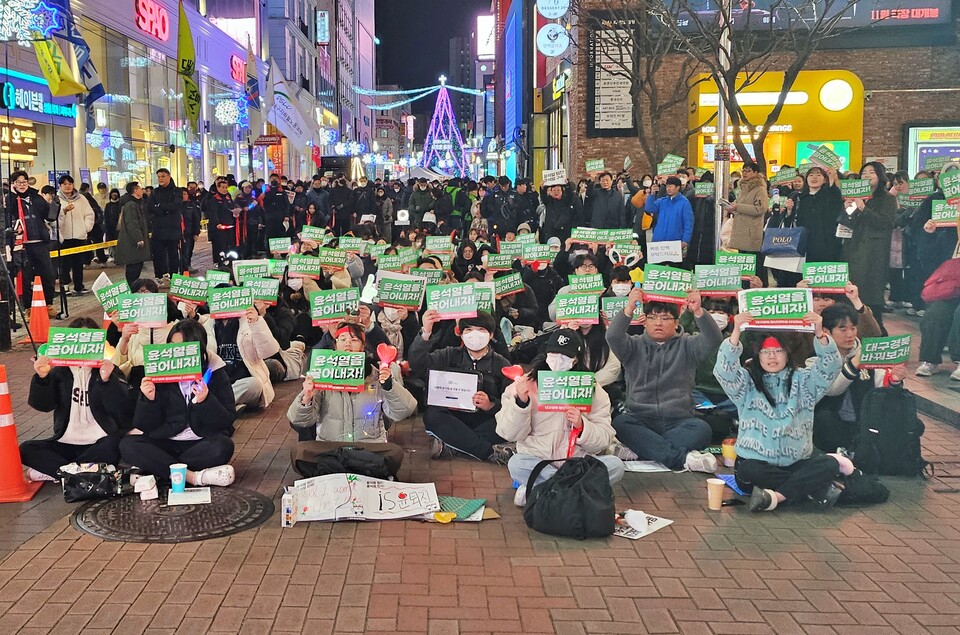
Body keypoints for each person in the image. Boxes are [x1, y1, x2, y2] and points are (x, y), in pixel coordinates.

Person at [713, 311, 850, 512]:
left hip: (795, 462)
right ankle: (811, 489)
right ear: (757, 355)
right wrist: (735, 332)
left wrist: (820, 334)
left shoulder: (804, 381)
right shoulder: (747, 383)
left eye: (778, 351)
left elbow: (831, 367)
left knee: (829, 464)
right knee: (750, 470)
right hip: (755, 466)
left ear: (787, 354)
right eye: (765, 352)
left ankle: (776, 497)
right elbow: (724, 371)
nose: (772, 357)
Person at [496, 329, 625, 506]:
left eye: (565, 356)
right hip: (540, 462)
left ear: (576, 359)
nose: (557, 360)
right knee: (517, 463)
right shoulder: (524, 384)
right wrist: (521, 402)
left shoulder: (592, 389)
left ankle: (545, 490)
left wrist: (582, 426)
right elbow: (508, 434)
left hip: (578, 464)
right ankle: (575, 493)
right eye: (553, 353)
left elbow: (604, 439)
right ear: (546, 354)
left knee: (615, 465)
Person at [606, 287, 723, 471]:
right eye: (652, 317)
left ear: (676, 322)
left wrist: (699, 311)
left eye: (665, 318)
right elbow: (612, 336)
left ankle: (640, 450)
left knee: (702, 429)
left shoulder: (688, 345)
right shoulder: (633, 346)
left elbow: (714, 339)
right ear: (644, 322)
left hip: (679, 421)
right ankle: (682, 459)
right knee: (620, 423)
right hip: (640, 419)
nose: (658, 322)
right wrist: (629, 308)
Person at [287, 321, 417, 476]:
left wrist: (389, 386)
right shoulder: (321, 375)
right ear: (335, 346)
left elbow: (404, 411)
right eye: (342, 339)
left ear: (363, 347)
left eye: (354, 339)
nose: (347, 343)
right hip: (331, 447)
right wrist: (306, 397)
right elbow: (299, 420)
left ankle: (337, 469)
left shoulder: (377, 376)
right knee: (299, 451)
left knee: (395, 452)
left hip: (368, 447)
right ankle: (358, 469)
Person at [119, 320, 237, 487]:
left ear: (198, 348)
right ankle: (194, 477)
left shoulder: (215, 373)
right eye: (172, 345)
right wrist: (148, 399)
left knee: (222, 447)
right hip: (165, 440)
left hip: (199, 442)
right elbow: (144, 424)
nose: (176, 351)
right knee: (128, 445)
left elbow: (226, 420)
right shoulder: (159, 372)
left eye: (182, 347)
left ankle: (160, 471)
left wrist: (206, 401)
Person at [21, 317, 132, 481]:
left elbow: (121, 408)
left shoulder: (108, 369)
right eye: (78, 340)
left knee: (116, 445)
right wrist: (42, 378)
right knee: (26, 449)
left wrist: (107, 381)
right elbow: (43, 405)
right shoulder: (59, 371)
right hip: (65, 441)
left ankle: (63, 474)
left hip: (99, 442)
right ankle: (84, 472)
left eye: (89, 340)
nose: (83, 346)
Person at [408, 310, 513, 462]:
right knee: (432, 415)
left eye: (481, 330)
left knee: (507, 422)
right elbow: (417, 365)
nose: (474, 334)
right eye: (469, 330)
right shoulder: (449, 354)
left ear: (491, 335)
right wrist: (426, 332)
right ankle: (489, 453)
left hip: (484, 419)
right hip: (453, 417)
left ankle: (452, 444)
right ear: (461, 334)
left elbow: (509, 405)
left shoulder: (501, 363)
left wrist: (491, 405)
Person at [812, 303, 907, 453]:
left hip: (862, 423)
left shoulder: (866, 353)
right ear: (826, 331)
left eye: (853, 328)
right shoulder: (815, 359)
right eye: (843, 329)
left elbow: (882, 389)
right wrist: (855, 363)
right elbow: (832, 390)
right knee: (824, 419)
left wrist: (895, 380)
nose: (850, 334)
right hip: (832, 425)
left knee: (905, 420)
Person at [841, 162, 897, 334]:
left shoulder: (887, 198)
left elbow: (886, 222)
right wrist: (847, 209)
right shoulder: (856, 197)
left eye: (871, 172)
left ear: (880, 176)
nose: (867, 175)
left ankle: (877, 334)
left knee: (872, 296)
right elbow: (845, 223)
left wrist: (863, 208)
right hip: (854, 250)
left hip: (875, 253)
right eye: (864, 172)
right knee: (854, 293)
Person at [4, 171, 57, 317]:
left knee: (48, 274)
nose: (22, 185)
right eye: (18, 182)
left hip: (40, 242)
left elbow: (49, 216)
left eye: (24, 181)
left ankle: (49, 304)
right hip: (22, 245)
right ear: (13, 184)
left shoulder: (36, 197)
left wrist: (54, 204)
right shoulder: (9, 199)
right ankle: (27, 308)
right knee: (25, 278)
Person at [721, 161, 768, 279]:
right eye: (744, 171)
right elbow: (739, 204)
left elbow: (761, 208)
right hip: (740, 230)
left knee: (752, 262)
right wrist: (730, 206)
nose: (745, 173)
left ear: (756, 173)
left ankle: (756, 285)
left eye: (748, 171)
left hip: (751, 231)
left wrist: (738, 207)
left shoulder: (759, 189)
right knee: (743, 262)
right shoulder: (743, 188)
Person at [790, 166, 843, 263]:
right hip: (805, 244)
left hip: (827, 244)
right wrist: (789, 210)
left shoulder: (830, 195)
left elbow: (836, 209)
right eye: (811, 175)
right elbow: (792, 220)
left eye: (818, 175)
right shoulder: (798, 198)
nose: (814, 177)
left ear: (824, 180)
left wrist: (833, 178)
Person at [56, 174, 95, 295]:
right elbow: (53, 217)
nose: (67, 186)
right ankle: (65, 286)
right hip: (64, 236)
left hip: (79, 236)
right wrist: (64, 211)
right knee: (64, 264)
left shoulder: (82, 199)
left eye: (70, 184)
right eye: (64, 184)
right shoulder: (57, 200)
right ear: (60, 186)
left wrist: (85, 228)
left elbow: (90, 214)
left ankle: (79, 286)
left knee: (78, 263)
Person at [645, 176, 694, 264]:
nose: (668, 189)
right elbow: (649, 208)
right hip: (658, 243)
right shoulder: (662, 201)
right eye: (667, 186)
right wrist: (651, 194)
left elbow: (688, 223)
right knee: (657, 270)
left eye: (671, 186)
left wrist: (685, 240)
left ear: (678, 187)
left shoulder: (684, 203)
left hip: (674, 244)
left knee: (673, 270)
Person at [148, 168, 183, 286]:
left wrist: (160, 206)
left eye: (163, 176)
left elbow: (176, 206)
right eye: (158, 177)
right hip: (158, 228)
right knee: (158, 254)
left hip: (173, 229)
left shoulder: (176, 191)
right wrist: (164, 209)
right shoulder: (155, 192)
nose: (160, 179)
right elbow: (150, 208)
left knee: (173, 254)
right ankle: (159, 276)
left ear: (168, 176)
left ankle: (174, 276)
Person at [114, 182, 152, 287]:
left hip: (133, 243)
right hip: (132, 244)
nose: (142, 190)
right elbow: (132, 223)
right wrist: (138, 238)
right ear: (135, 190)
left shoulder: (136, 204)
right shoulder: (131, 205)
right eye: (140, 188)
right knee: (133, 267)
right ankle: (132, 288)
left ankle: (134, 287)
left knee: (136, 265)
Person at [540, 181, 577, 245]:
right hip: (550, 231)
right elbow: (543, 196)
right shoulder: (548, 201)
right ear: (551, 192)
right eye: (554, 190)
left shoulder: (566, 201)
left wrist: (567, 185)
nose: (556, 192)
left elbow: (570, 195)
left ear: (562, 191)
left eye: (558, 190)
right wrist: (543, 188)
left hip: (563, 232)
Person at [181, 182, 202, 273]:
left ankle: (187, 265)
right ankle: (182, 268)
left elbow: (196, 219)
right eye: (181, 194)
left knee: (188, 250)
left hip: (189, 232)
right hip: (178, 233)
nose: (183, 196)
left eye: (185, 194)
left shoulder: (191, 205)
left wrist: (196, 232)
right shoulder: (175, 206)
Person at [262, 174, 292, 240]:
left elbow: (287, 204)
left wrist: (286, 215)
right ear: (269, 180)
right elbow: (262, 203)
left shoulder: (282, 192)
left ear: (278, 181)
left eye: (276, 179)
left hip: (280, 217)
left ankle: (280, 250)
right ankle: (269, 250)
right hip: (269, 217)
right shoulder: (266, 192)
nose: (274, 180)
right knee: (270, 235)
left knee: (280, 235)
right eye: (272, 179)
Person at [103, 187, 122, 264]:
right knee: (111, 243)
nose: (114, 196)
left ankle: (119, 257)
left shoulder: (121, 205)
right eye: (113, 195)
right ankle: (113, 256)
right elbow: (106, 217)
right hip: (110, 228)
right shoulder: (108, 205)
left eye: (116, 194)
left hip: (119, 228)